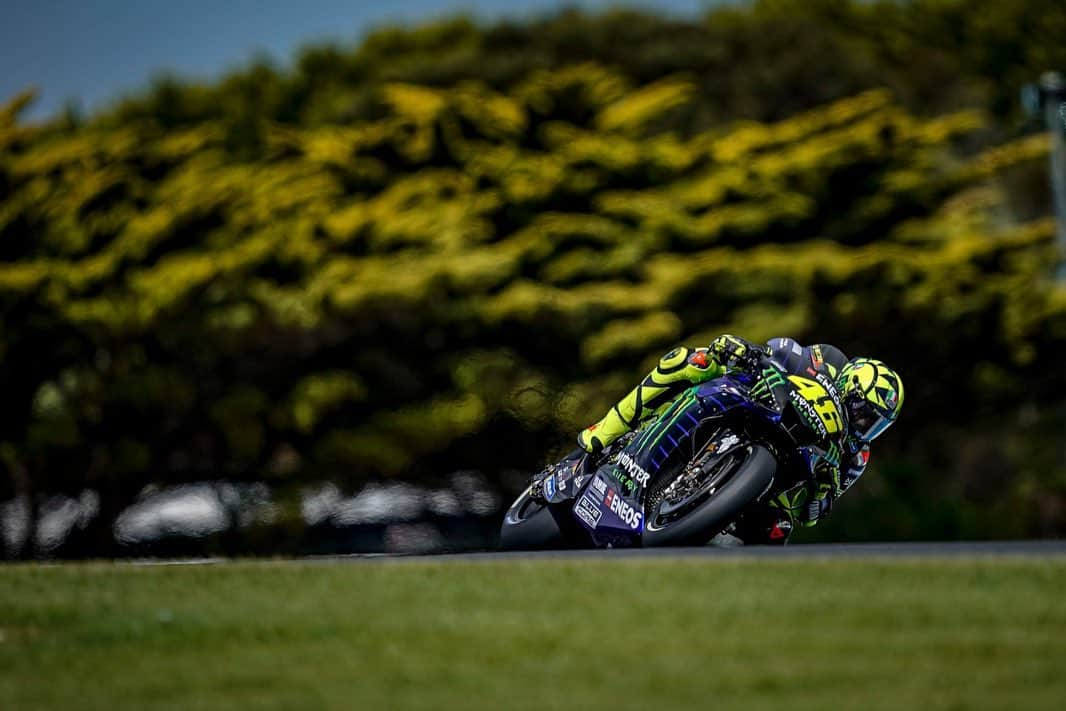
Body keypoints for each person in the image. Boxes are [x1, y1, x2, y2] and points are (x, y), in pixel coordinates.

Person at [544, 334, 904, 544]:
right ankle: (603, 433)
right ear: (848, 386)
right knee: (689, 361)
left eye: (875, 423)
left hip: (771, 481)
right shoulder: (826, 362)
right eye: (863, 411)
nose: (864, 424)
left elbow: (813, 513)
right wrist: (744, 351)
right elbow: (779, 348)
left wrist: (821, 494)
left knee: (778, 532)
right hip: (758, 402)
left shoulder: (855, 456)